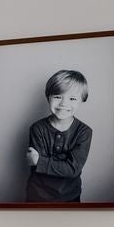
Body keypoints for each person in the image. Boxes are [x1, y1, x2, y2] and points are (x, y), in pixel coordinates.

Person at [23, 69, 92, 203]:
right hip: (37, 194)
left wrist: (40, 161)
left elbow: (73, 170)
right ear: (48, 97)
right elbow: (36, 168)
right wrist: (62, 163)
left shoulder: (84, 132)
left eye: (72, 98)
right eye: (57, 97)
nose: (64, 103)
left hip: (69, 196)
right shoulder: (37, 128)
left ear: (82, 100)